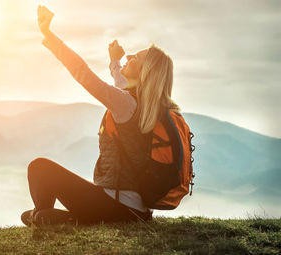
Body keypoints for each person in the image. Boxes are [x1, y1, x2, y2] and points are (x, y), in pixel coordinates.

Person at [21, 5, 182, 226]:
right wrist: (115, 60)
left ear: (144, 72)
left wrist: (49, 35)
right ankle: (61, 219)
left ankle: (44, 217)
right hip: (135, 211)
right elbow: (120, 83)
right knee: (35, 214)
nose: (131, 55)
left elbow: (83, 74)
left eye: (137, 57)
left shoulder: (126, 103)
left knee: (39, 168)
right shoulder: (141, 103)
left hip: (114, 205)